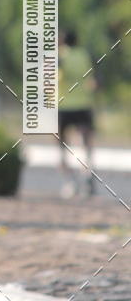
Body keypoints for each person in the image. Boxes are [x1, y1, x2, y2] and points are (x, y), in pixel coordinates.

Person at [58, 30, 96, 197]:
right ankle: (87, 175)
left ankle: (70, 182)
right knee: (85, 144)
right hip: (83, 104)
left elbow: (56, 78)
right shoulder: (84, 55)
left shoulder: (60, 56)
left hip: (63, 105)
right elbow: (92, 78)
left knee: (62, 146)